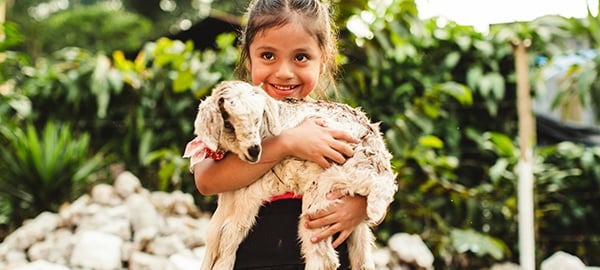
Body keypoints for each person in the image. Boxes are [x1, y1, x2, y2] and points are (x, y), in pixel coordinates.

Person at [190, 0, 384, 269]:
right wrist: (286, 143)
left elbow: (377, 183)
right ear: (249, 58)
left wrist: (361, 208)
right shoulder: (232, 117)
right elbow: (207, 181)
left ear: (322, 59)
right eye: (268, 56)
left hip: (331, 259)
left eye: (301, 57)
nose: (284, 72)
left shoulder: (337, 125)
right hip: (249, 261)